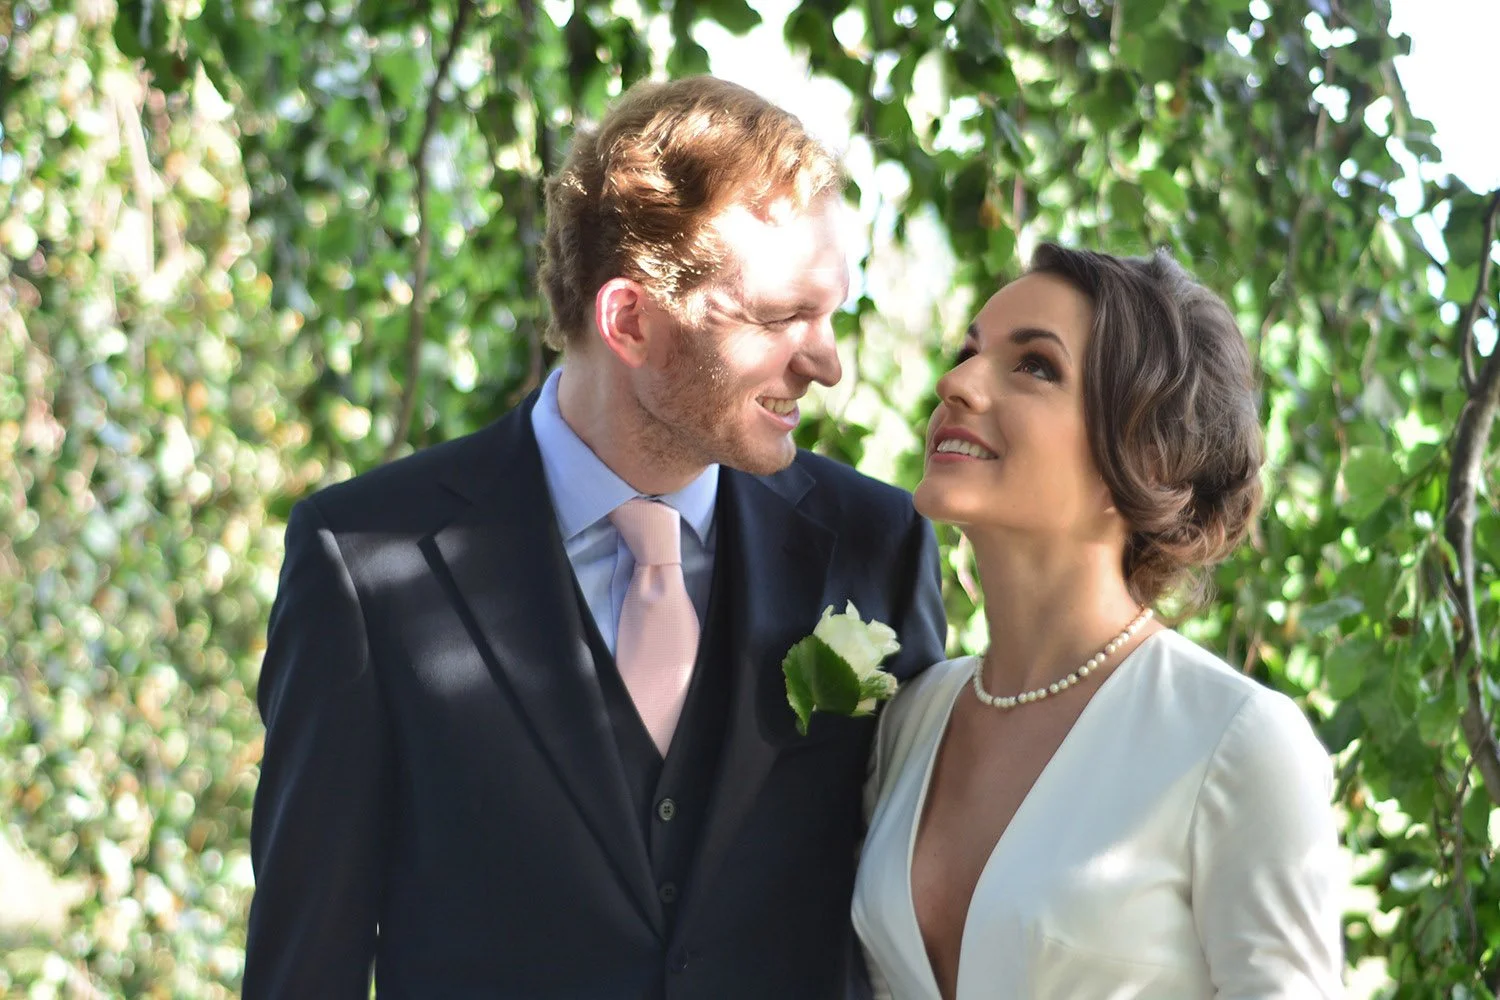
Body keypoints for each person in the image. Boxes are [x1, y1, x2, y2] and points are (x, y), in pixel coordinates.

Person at [242, 76, 946, 999]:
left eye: (830, 312)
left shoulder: (874, 540)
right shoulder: (365, 562)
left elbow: (921, 907)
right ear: (630, 321)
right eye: (783, 318)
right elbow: (307, 964)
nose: (826, 361)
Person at [852, 244, 1343, 998]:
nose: (955, 383)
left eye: (1035, 366)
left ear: (1140, 460)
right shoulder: (910, 719)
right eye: (968, 352)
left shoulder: (1234, 743)